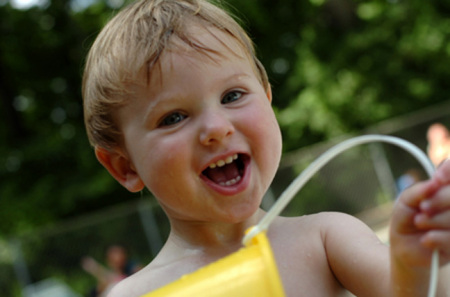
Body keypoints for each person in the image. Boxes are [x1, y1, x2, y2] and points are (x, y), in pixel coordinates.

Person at [81, 0, 450, 296]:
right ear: (123, 166)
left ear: (269, 98)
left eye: (232, 95)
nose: (216, 128)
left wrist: (421, 261)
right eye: (173, 118)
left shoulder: (325, 240)